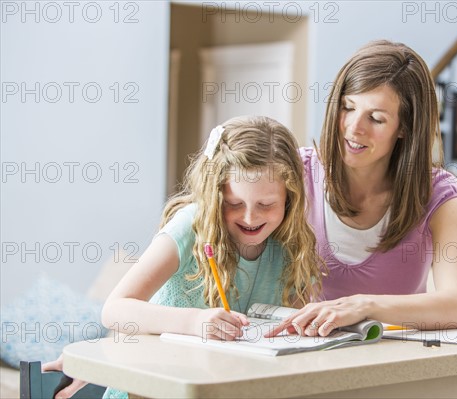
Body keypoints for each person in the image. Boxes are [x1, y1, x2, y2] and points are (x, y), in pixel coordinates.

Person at [43, 115, 323, 398]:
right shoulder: (190, 227)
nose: (250, 217)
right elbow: (114, 310)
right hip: (150, 389)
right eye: (234, 203)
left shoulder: (292, 245)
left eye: (266, 204)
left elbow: (291, 335)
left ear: (290, 198)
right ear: (214, 196)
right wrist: (194, 323)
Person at [268, 40, 457, 339]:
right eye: (347, 107)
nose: (354, 127)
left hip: (396, 362)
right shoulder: (297, 172)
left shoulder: (440, 194)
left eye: (376, 118)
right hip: (310, 354)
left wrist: (363, 306)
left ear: (404, 128)